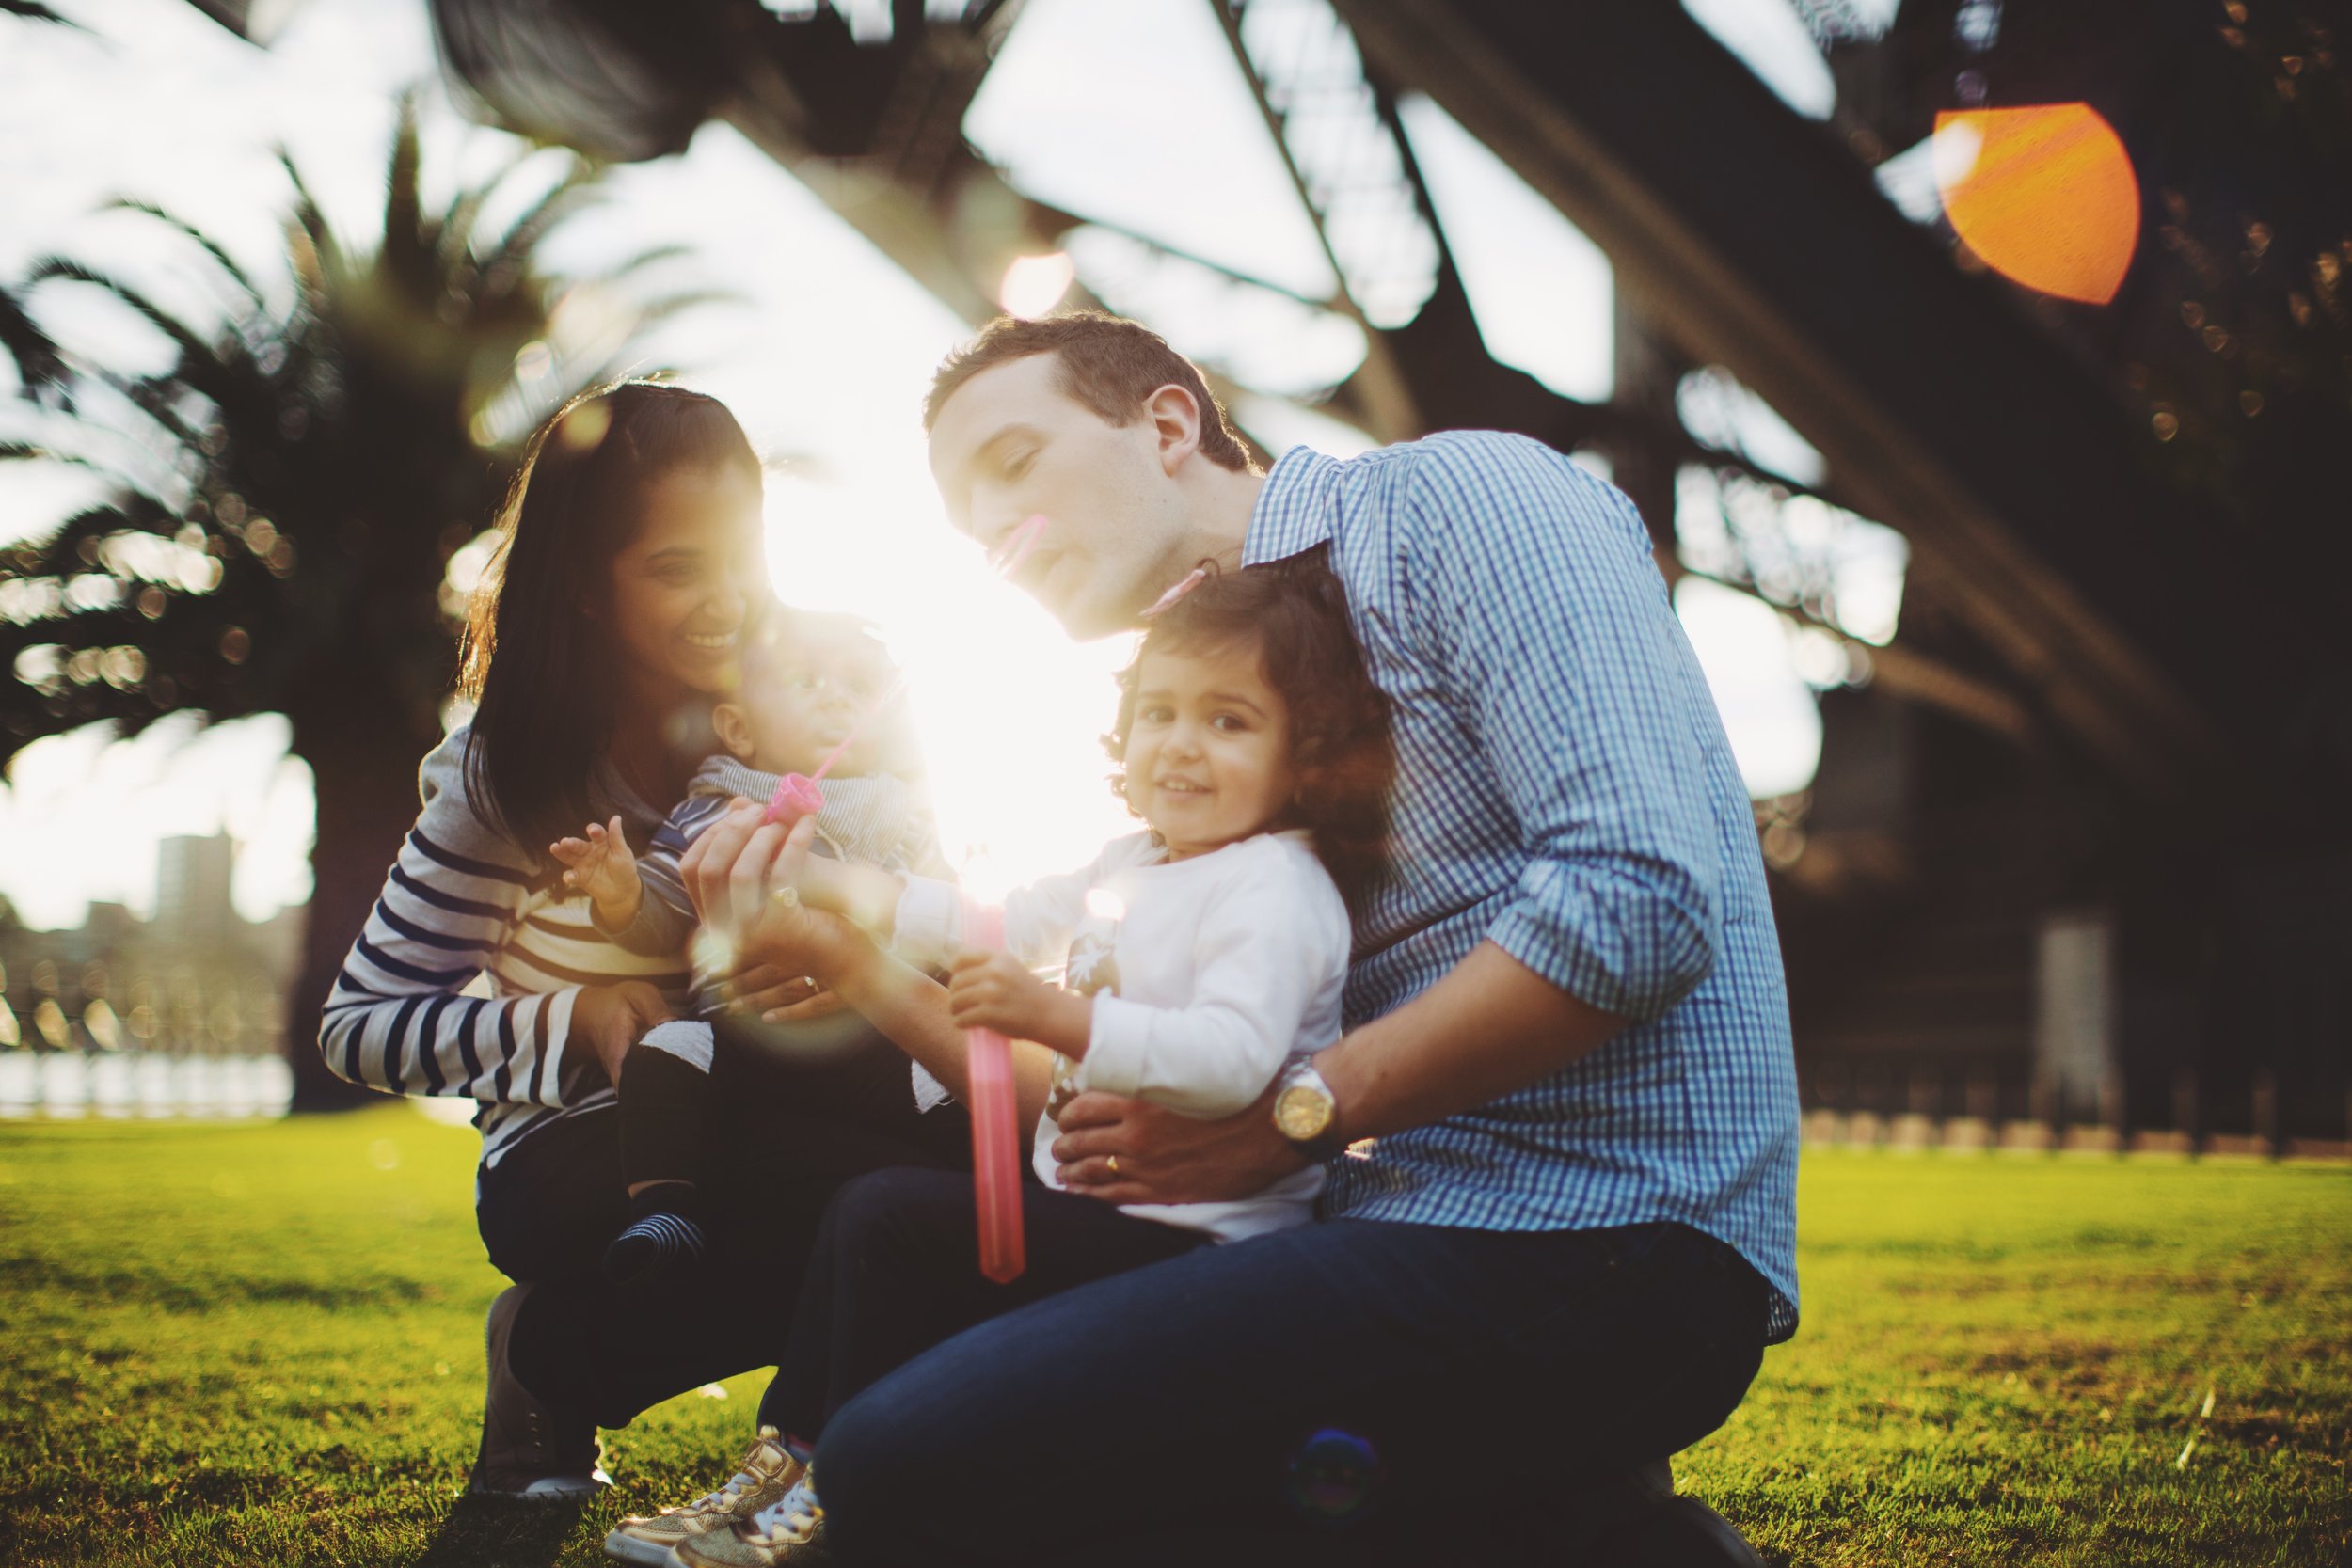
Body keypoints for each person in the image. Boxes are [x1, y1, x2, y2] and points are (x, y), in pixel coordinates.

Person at [677, 311, 1799, 1566]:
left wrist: (1291, 1114)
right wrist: (840, 889)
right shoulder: (1232, 704)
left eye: (1012, 464)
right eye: (964, 522)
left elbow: (1638, 899)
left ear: (1165, 425)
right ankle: (1573, 1523)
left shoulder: (1457, 498)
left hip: (1603, 1242)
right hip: (1374, 1220)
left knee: (903, 1468)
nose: (992, 533)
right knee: (907, 1260)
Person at [643, 560, 1391, 1568]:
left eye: (1227, 720)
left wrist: (1055, 1012)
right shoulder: (1135, 860)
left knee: (889, 1214)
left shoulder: (1276, 885)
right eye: (1158, 711)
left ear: (1304, 751)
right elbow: (981, 919)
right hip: (1097, 1209)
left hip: (1196, 1249)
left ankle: (833, 1495)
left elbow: (1232, 1060)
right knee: (875, 1206)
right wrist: (819, 877)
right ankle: (786, 1458)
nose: (1179, 742)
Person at [316, 382, 967, 1507]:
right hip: (579, 1148)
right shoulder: (502, 779)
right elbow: (358, 1028)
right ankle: (573, 1366)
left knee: (941, 1181)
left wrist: (845, 971)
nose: (725, 603)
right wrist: (584, 1019)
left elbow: (927, 926)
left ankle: (600, 1365)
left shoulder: (810, 722)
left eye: (740, 559)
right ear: (580, 585)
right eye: (677, 570)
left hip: (767, 1098)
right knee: (886, 1197)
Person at [550, 609, 961, 1288]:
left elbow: (939, 919)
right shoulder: (715, 810)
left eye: (858, 685)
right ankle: (663, 1211)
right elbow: (666, 914)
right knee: (666, 1053)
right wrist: (622, 894)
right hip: (741, 1039)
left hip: (872, 1033)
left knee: (942, 1077)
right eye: (805, 680)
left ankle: (971, 1186)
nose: (836, 697)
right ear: (739, 728)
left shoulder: (901, 818)